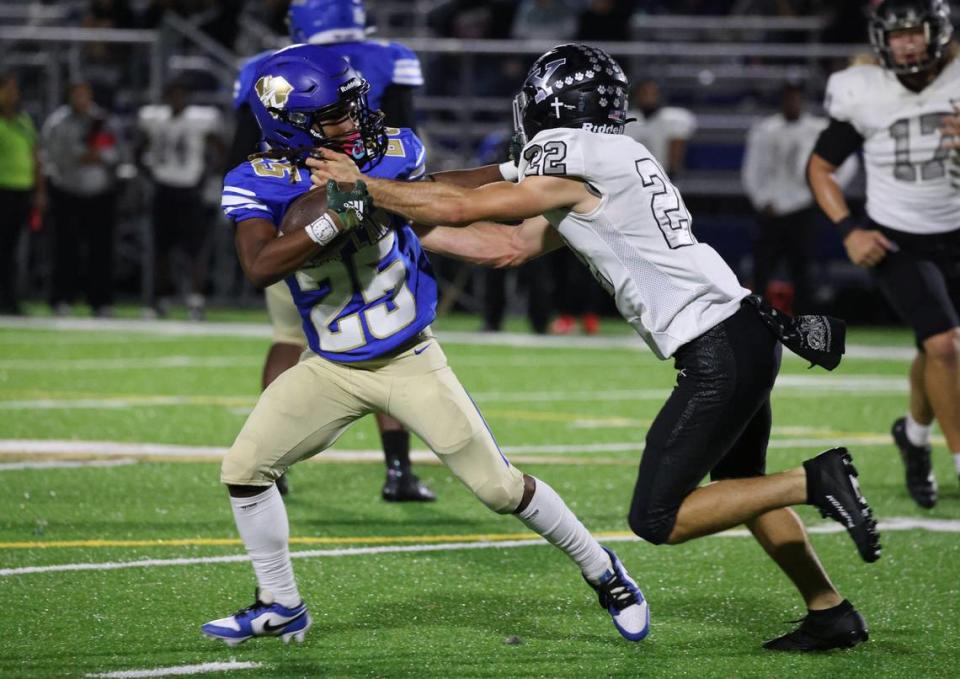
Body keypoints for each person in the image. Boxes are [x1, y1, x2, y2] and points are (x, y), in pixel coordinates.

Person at [310, 42, 882, 652]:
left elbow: (464, 203)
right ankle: (829, 610)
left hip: (717, 347)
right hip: (743, 332)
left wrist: (364, 186)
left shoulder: (572, 154)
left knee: (658, 518)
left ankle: (816, 479)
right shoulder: (613, 156)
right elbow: (508, 247)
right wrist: (400, 221)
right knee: (742, 482)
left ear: (551, 104)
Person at [201, 45, 649, 646]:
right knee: (245, 470)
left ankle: (605, 571)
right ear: (294, 122)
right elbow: (258, 265)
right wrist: (335, 215)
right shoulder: (258, 180)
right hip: (330, 367)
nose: (357, 120)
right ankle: (280, 602)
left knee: (500, 489)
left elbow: (441, 190)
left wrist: (516, 170)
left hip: (411, 360)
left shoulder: (389, 153)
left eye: (356, 104)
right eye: (338, 113)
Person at [229, 0, 432, 501]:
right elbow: (399, 138)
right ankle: (398, 469)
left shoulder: (264, 70)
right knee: (393, 336)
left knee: (285, 335)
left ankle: (273, 461)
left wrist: (269, 203)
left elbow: (247, 144)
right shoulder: (388, 57)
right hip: (371, 212)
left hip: (290, 212)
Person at [808, 0, 960, 509]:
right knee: (943, 346)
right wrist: (849, 228)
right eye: (896, 35)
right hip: (898, 240)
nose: (906, 43)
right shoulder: (865, 92)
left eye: (914, 32)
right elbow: (820, 167)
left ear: (937, 32)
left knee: (935, 347)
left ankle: (913, 438)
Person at [742, 82, 857, 313]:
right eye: (788, 98)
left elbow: (848, 162)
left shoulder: (817, 129)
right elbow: (751, 169)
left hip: (803, 208)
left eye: (796, 98)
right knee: (762, 269)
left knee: (802, 270)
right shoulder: (765, 129)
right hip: (770, 209)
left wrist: (823, 192)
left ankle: (804, 322)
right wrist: (761, 200)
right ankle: (758, 319)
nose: (792, 103)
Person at [138, 81, 224, 320]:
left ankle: (196, 300)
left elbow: (219, 150)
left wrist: (204, 178)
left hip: (189, 191)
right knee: (161, 250)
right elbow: (138, 150)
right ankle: (160, 299)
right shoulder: (155, 120)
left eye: (180, 95)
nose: (176, 99)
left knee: (193, 250)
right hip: (164, 189)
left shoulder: (200, 120)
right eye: (172, 95)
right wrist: (150, 176)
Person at [41, 82, 120, 317]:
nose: (81, 99)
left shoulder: (103, 121)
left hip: (100, 192)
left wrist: (96, 156)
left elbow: (114, 153)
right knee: (65, 248)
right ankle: (62, 297)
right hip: (67, 190)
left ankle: (100, 301)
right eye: (77, 95)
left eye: (85, 95)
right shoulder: (58, 122)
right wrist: (85, 156)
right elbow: (54, 156)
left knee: (101, 250)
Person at [0, 71, 44, 316]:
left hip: (20, 190)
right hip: (1, 189)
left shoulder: (24, 120)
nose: (12, 94)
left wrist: (39, 191)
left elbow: (36, 157)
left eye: (14, 90)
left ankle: (9, 298)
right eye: (7, 89)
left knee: (11, 248)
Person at [623, 79, 696, 177]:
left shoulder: (673, 118)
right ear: (637, 95)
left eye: (653, 93)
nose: (649, 97)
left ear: (659, 95)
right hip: (629, 174)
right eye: (645, 93)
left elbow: (678, 143)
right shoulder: (625, 119)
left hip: (663, 175)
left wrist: (672, 172)